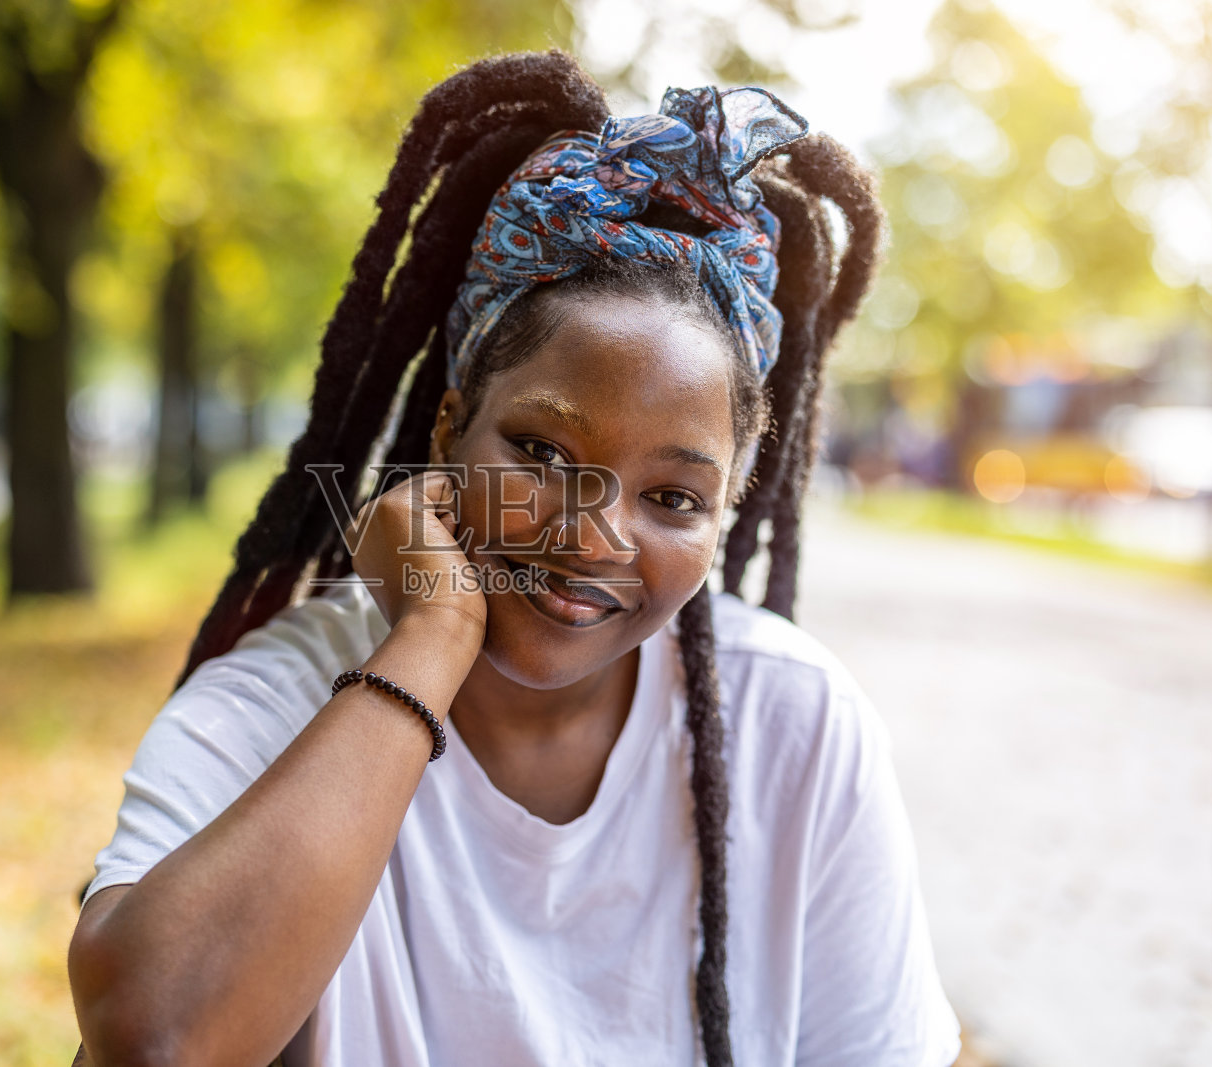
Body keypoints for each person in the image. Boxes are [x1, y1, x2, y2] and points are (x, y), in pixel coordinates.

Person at [67, 50, 962, 1067]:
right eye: (542, 452)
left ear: (726, 513)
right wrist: (432, 636)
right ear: (450, 427)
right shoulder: (275, 703)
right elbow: (154, 1035)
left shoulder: (792, 722)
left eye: (673, 497)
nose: (592, 536)